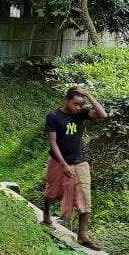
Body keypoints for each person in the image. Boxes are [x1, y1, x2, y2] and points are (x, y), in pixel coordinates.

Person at [42, 87, 108, 251]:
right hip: (58, 162)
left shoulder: (81, 114)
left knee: (85, 196)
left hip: (79, 162)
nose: (78, 107)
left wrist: (88, 94)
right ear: (66, 99)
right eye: (75, 104)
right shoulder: (53, 116)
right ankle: (46, 215)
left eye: (81, 104)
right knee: (52, 191)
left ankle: (82, 235)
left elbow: (103, 115)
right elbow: (53, 142)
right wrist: (63, 164)